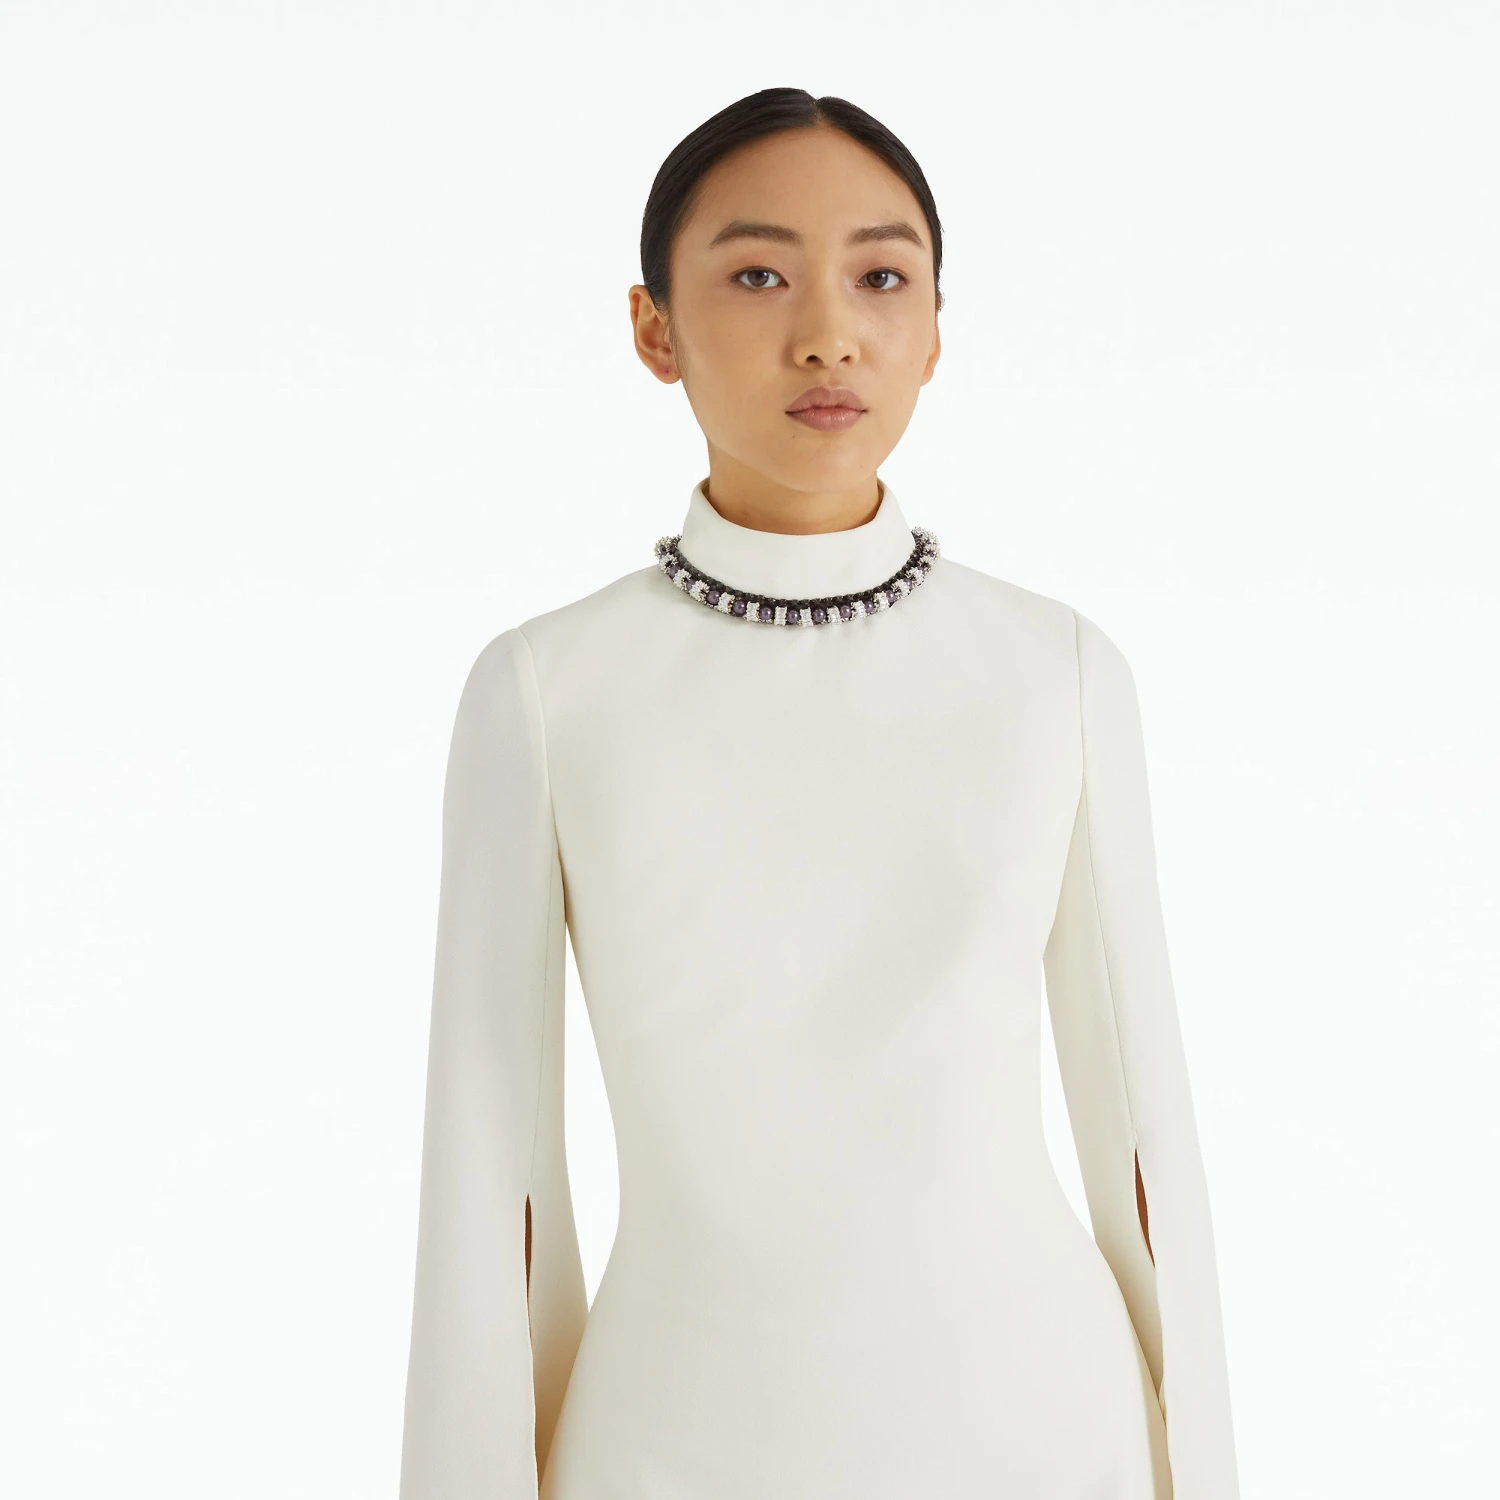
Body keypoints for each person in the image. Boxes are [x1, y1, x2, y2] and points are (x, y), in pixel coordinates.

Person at [398, 86, 1241, 1500]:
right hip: (674, 1444)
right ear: (653, 328)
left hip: (1044, 1430)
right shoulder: (548, 692)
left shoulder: (1057, 672)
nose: (829, 332)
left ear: (935, 330)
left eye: (882, 278)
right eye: (758, 275)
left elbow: (1147, 1134)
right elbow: (494, 1176)